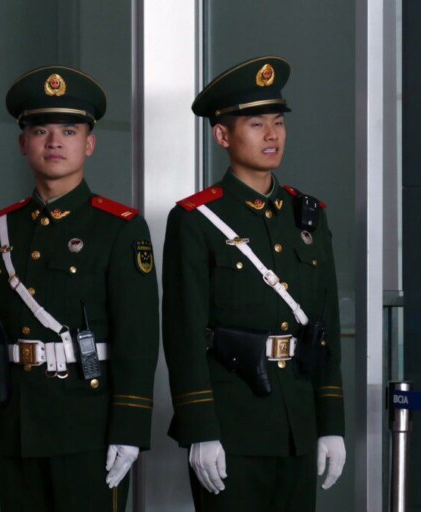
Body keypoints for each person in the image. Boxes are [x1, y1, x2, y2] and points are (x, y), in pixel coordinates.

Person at [0, 65, 159, 512]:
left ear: (89, 144)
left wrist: (130, 429)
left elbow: (139, 337)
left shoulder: (119, 228)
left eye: (69, 131)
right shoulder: (2, 228)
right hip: (17, 424)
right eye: (41, 130)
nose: (54, 142)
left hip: (90, 428)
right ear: (24, 143)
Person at [162, 56, 346, 511]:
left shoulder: (309, 215)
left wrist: (330, 422)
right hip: (232, 425)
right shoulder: (197, 220)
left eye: (278, 122)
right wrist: (201, 428)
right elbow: (184, 333)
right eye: (256, 123)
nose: (272, 135)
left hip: (297, 422)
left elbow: (324, 323)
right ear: (223, 135)